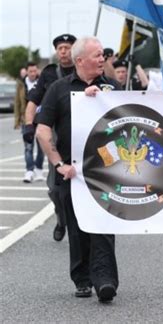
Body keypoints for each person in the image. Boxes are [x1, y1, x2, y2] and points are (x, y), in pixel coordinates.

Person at [36, 36, 121, 303]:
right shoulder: (58, 89)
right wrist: (58, 164)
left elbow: (128, 119)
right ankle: (82, 278)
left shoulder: (112, 87)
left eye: (102, 55)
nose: (102, 59)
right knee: (78, 227)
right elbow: (43, 129)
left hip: (105, 170)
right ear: (80, 60)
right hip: (71, 173)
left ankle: (105, 280)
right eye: (97, 55)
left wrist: (100, 100)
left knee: (104, 224)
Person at [24, 33, 77, 242]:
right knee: (56, 189)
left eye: (67, 47)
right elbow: (32, 101)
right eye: (60, 48)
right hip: (55, 132)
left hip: (82, 131)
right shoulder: (48, 74)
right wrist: (29, 125)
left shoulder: (83, 71)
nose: (63, 51)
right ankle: (61, 218)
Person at [14, 62, 44, 183]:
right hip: (26, 119)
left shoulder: (42, 83)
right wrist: (17, 120)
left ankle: (39, 170)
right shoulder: (21, 85)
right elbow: (17, 102)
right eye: (30, 71)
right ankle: (29, 170)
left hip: (41, 119)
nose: (33, 73)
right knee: (28, 147)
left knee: (42, 147)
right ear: (26, 71)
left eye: (34, 71)